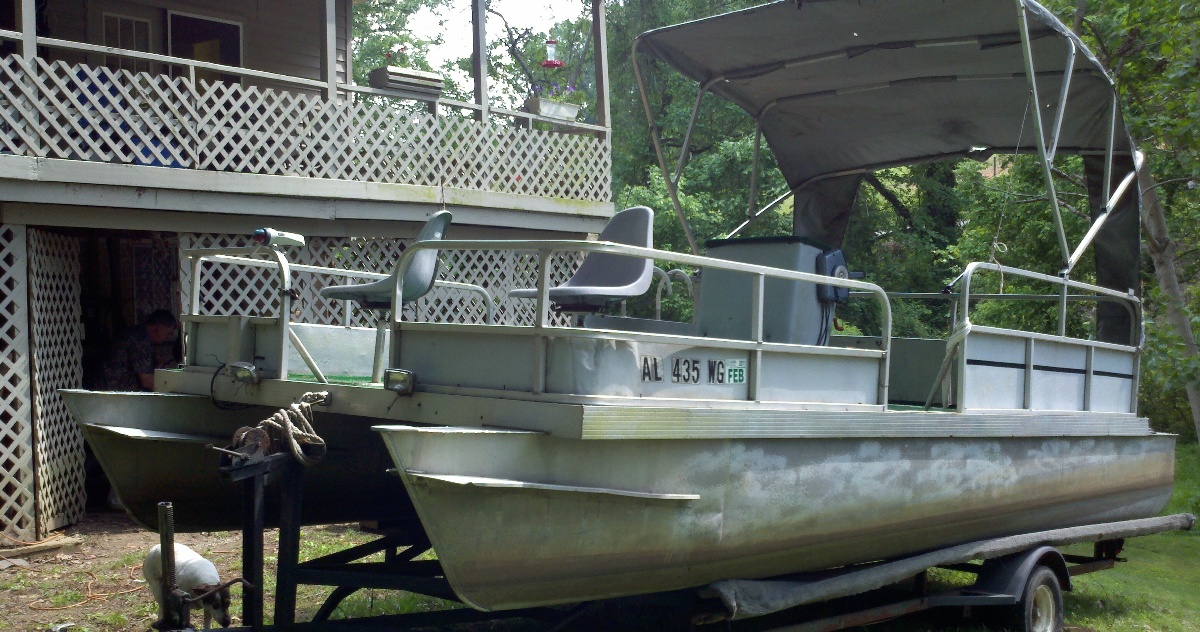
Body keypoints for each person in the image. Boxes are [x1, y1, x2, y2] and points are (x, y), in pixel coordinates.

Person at [102, 309, 178, 391]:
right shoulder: (140, 339)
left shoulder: (140, 335)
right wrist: (174, 390)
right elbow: (147, 381)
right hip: (114, 392)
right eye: (168, 333)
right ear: (158, 328)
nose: (168, 336)